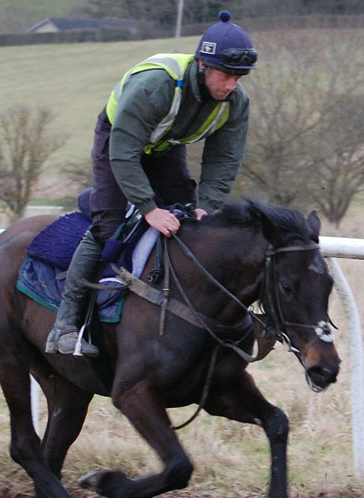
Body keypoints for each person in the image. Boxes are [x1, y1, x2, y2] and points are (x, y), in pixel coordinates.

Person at [46, 10, 257, 357]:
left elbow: (224, 159)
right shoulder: (157, 85)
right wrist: (149, 209)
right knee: (109, 224)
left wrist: (207, 205)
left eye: (239, 77)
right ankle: (65, 325)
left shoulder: (236, 102)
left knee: (189, 219)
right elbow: (125, 154)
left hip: (164, 146)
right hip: (119, 140)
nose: (232, 85)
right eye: (226, 75)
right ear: (203, 65)